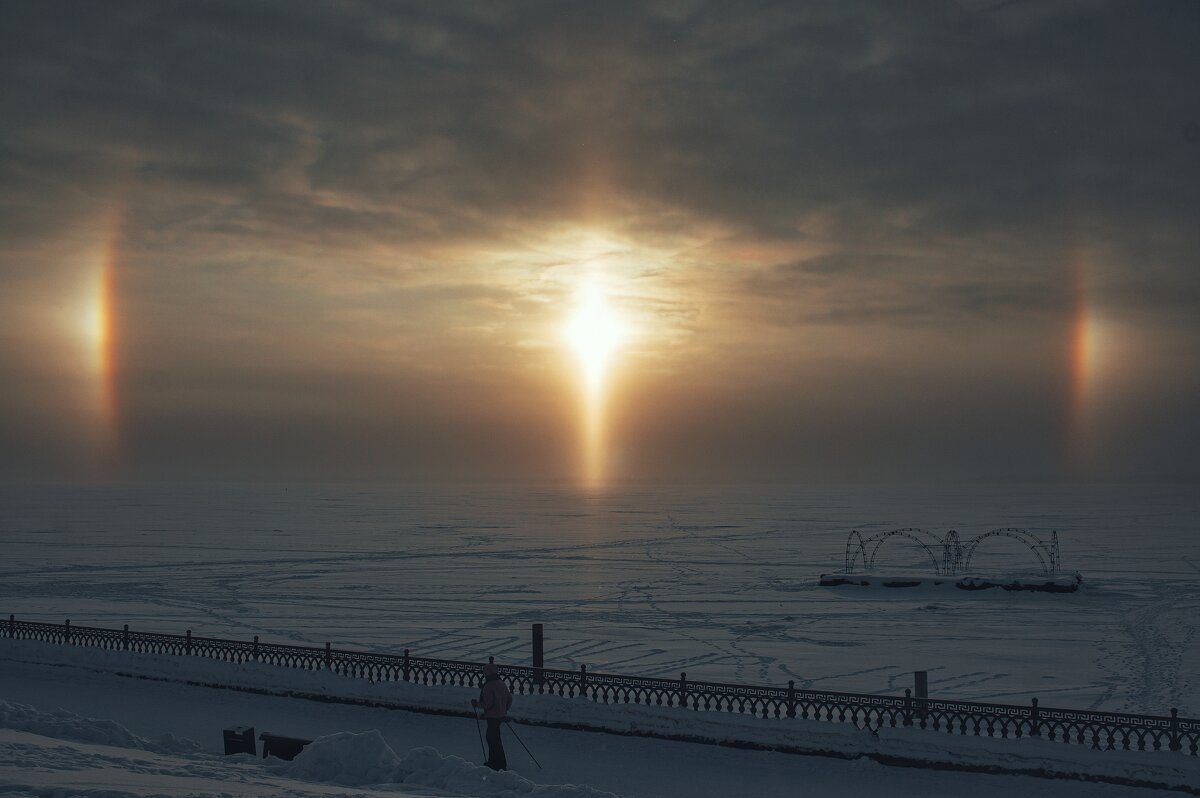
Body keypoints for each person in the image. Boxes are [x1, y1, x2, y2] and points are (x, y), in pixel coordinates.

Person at [472, 662, 513, 770]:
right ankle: (498, 762)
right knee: (495, 738)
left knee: (492, 739)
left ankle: (496, 763)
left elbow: (488, 704)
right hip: (500, 716)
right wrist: (504, 710)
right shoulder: (501, 683)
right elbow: (509, 699)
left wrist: (476, 704)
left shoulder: (488, 685)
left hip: (492, 716)